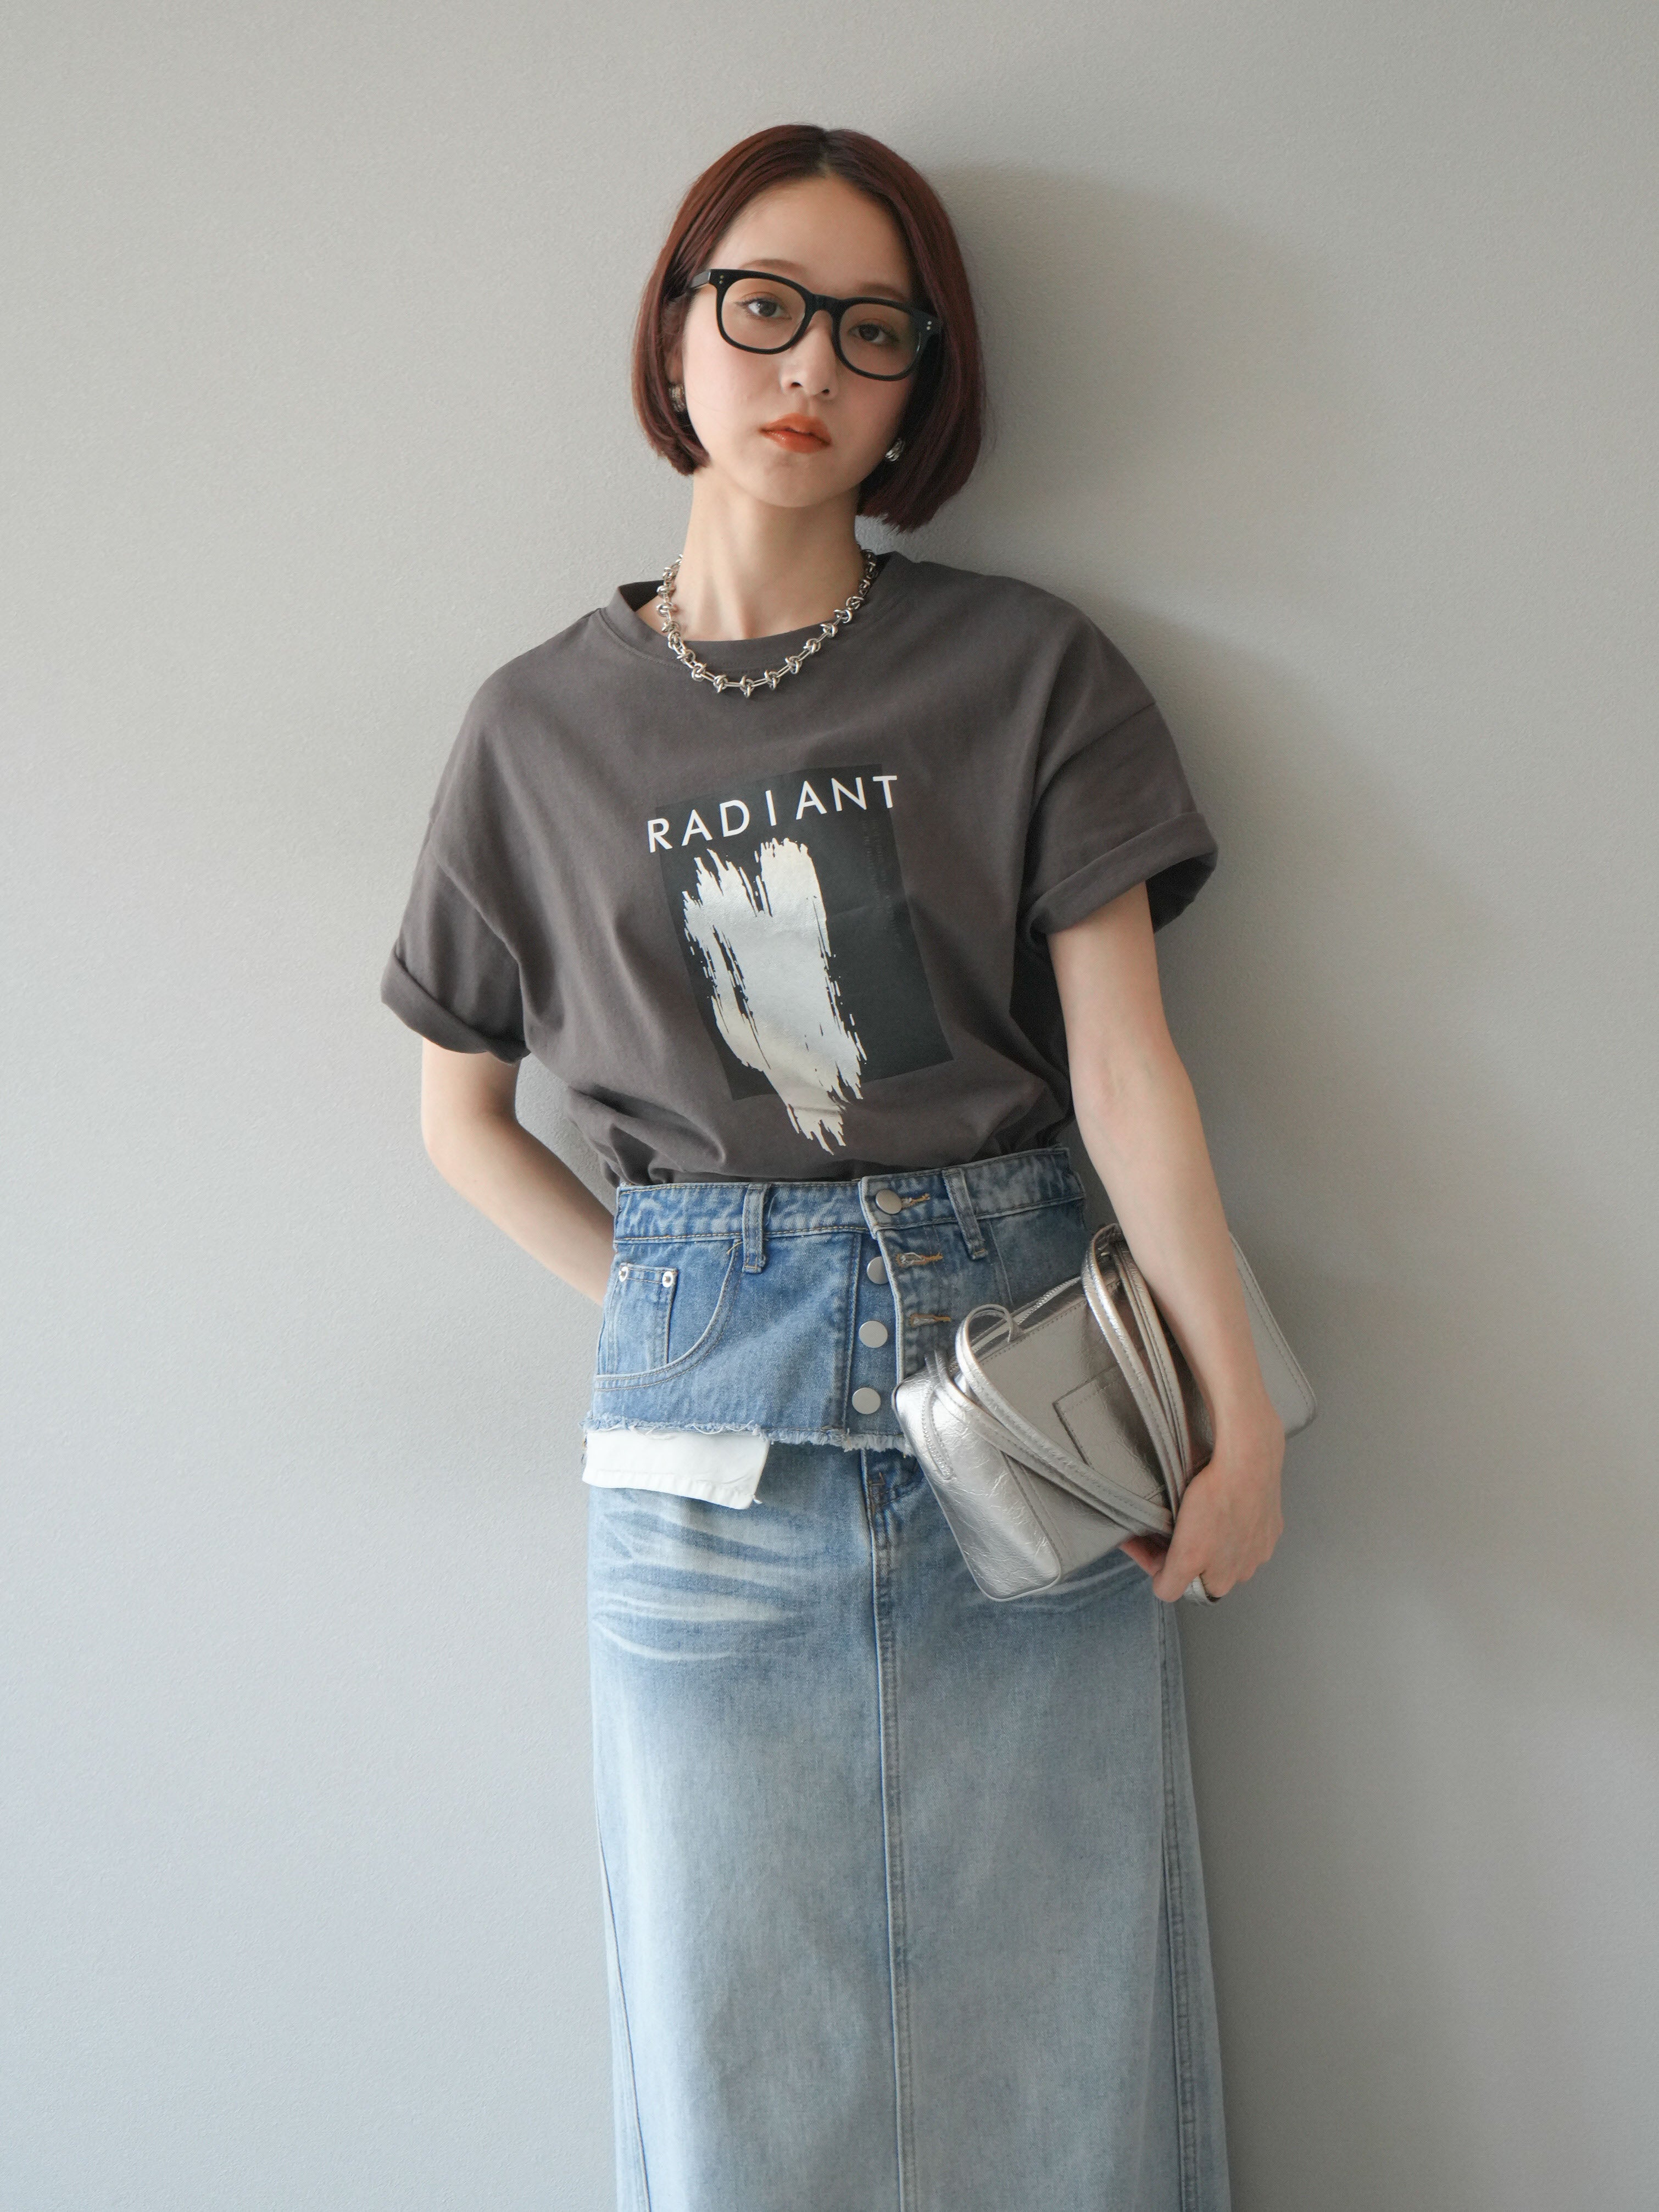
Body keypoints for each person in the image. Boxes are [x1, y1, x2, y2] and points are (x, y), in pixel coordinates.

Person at [380, 121, 1283, 2212]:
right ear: (675, 333)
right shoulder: (534, 729)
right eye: (765, 307)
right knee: (732, 2046)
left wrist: (1237, 1417)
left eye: (875, 333)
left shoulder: (1024, 669)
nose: (810, 368)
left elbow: (1125, 1070)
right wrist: (693, 1312)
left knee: (1065, 2025)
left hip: (1033, 1405)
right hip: (703, 1448)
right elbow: (458, 1117)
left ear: (918, 391)